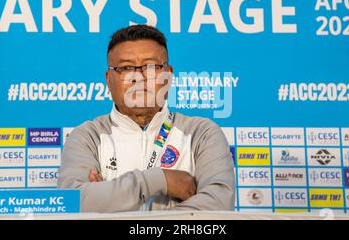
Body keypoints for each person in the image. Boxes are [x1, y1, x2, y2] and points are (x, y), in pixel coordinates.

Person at [58, 24, 235, 212]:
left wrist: (107, 199)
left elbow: (218, 208)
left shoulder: (202, 133)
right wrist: (160, 180)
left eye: (151, 67)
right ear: (109, 79)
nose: (138, 77)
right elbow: (72, 204)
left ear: (168, 76)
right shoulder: (87, 137)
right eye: (125, 68)